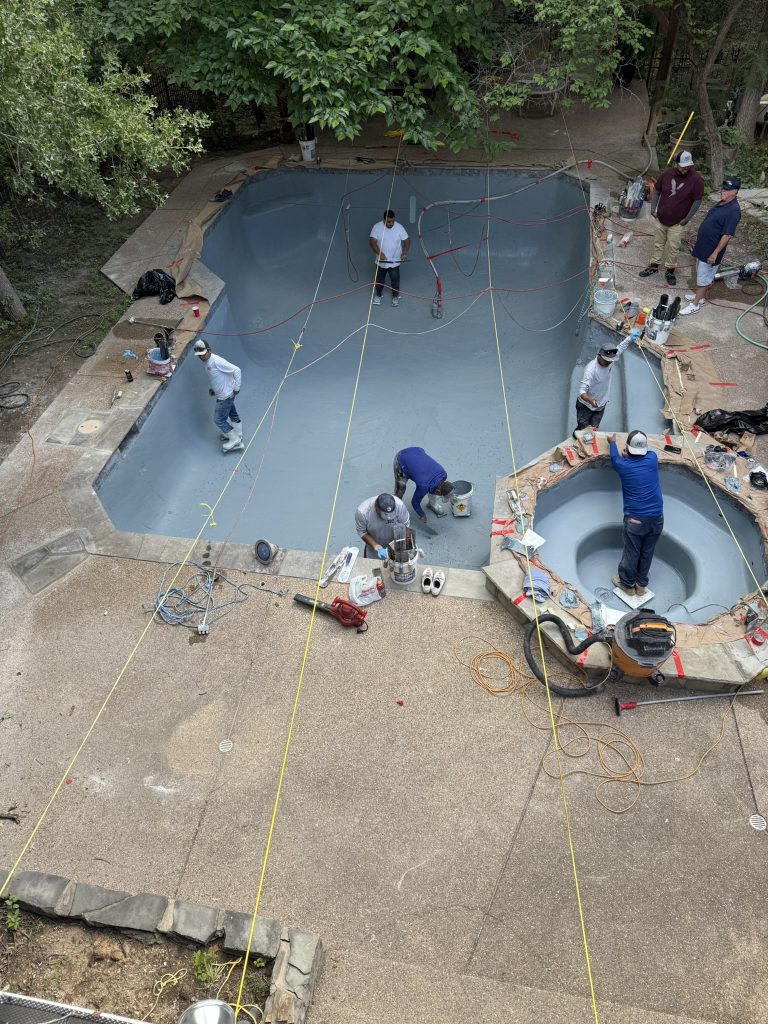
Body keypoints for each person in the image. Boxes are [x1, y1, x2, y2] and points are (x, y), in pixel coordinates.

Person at [607, 430, 664, 597]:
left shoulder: (622, 465)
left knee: (632, 552)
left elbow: (614, 458)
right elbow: (643, 457)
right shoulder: (652, 458)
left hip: (635, 520)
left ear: (627, 448)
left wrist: (612, 442)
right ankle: (641, 585)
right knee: (647, 551)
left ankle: (627, 585)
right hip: (657, 518)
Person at [639, 151, 704, 287]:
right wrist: (653, 209)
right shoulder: (667, 174)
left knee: (673, 248)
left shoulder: (696, 180)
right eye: (683, 166)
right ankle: (653, 267)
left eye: (688, 166)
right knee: (658, 244)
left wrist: (686, 219)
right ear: (676, 164)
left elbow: (697, 201)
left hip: (677, 223)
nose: (686, 168)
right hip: (660, 218)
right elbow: (656, 190)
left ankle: (669, 271)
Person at [680, 178, 742, 315]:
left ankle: (695, 305)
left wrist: (715, 253)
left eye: (726, 190)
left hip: (711, 250)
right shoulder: (723, 203)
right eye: (723, 188)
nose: (723, 191)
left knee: (704, 277)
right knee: (701, 273)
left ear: (735, 192)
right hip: (703, 245)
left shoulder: (734, 211)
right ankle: (699, 297)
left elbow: (727, 235)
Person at [574, 330, 640, 436]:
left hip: (601, 404)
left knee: (594, 428)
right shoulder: (591, 369)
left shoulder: (609, 360)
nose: (608, 363)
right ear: (599, 355)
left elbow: (620, 348)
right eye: (606, 361)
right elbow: (582, 390)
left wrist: (629, 338)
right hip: (585, 406)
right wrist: (590, 400)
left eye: (610, 361)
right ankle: (576, 438)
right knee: (583, 429)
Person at [193, 339, 244, 452]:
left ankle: (234, 439)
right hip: (223, 393)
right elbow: (219, 378)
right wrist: (214, 391)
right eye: (199, 356)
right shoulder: (208, 363)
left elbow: (237, 370)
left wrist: (237, 388)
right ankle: (238, 434)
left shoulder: (216, 361)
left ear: (209, 351)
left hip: (225, 396)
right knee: (232, 414)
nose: (201, 357)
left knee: (218, 419)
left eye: (203, 354)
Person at [393, 447, 454, 523]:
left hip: (417, 451)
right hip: (402, 460)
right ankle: (394, 509)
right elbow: (415, 502)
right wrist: (422, 515)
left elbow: (434, 489)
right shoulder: (423, 486)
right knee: (400, 488)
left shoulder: (443, 474)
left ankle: (432, 504)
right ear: (439, 491)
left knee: (433, 488)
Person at [369, 210, 410, 307]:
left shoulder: (399, 227)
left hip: (394, 262)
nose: (391, 224)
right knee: (379, 281)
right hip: (381, 261)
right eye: (388, 221)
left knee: (395, 280)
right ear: (384, 219)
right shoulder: (377, 227)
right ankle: (378, 295)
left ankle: (395, 296)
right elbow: (372, 242)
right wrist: (380, 253)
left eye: (392, 221)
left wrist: (404, 253)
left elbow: (407, 240)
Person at [355, 492, 410, 559]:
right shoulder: (363, 512)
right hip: (374, 545)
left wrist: (399, 544)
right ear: (376, 508)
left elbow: (405, 525)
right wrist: (375, 546)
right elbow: (362, 532)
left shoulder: (400, 506)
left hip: (395, 542)